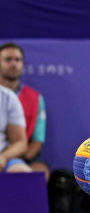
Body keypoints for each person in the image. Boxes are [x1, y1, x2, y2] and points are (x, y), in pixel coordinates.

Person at [0, 43, 50, 180]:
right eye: (8, 60)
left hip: (21, 155)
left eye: (17, 60)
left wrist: (10, 157)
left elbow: (37, 141)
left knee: (33, 174)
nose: (13, 64)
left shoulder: (34, 98)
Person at [0, 85, 31, 173]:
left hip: (3, 156)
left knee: (22, 172)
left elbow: (20, 143)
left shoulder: (8, 97)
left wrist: (3, 157)